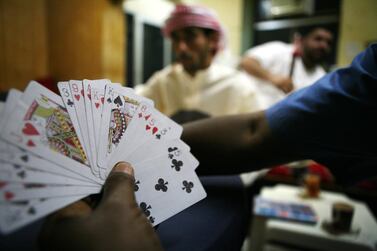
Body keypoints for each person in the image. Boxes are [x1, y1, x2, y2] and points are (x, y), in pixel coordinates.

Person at [135, 4, 261, 120]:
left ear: (212, 40)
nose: (181, 47)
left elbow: (255, 133)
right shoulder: (162, 82)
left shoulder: (237, 85)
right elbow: (133, 107)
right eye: (176, 39)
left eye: (190, 37)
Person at [240, 26, 333, 109]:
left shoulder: (321, 76)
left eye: (328, 43)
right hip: (251, 112)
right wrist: (271, 77)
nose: (323, 45)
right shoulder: (280, 50)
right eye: (318, 39)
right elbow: (246, 62)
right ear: (301, 40)